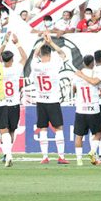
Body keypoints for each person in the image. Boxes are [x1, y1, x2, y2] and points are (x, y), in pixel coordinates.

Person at [30, 34, 69, 164]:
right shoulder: (54, 64)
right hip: (53, 100)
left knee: (43, 129)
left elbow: (34, 55)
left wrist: (41, 42)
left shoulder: (35, 66)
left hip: (41, 101)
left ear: (41, 54)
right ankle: (61, 157)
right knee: (58, 128)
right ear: (50, 54)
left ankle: (44, 157)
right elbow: (63, 53)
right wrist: (50, 42)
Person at [0, 32, 27, 162]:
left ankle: (5, 153)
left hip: (2, 104)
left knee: (3, 130)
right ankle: (8, 153)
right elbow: (25, 57)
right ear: (12, 59)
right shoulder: (16, 69)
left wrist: (4, 42)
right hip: (14, 104)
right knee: (11, 131)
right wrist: (17, 43)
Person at [72, 54, 101, 166]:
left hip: (81, 109)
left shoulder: (77, 75)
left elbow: (74, 89)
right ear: (93, 63)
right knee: (97, 133)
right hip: (93, 109)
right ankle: (92, 151)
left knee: (79, 135)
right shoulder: (97, 75)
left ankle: (79, 160)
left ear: (83, 63)